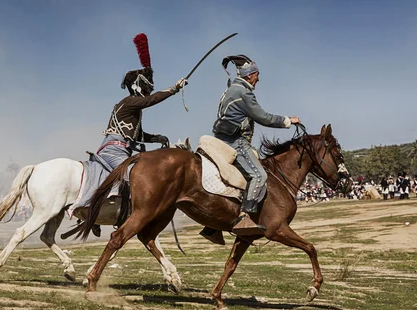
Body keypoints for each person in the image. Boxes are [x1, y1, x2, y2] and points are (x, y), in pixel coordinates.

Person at [80, 34, 186, 234]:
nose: (149, 90)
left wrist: (157, 138)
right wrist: (174, 89)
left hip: (122, 147)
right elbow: (151, 100)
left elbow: (136, 136)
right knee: (136, 177)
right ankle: (103, 212)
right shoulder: (130, 102)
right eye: (147, 86)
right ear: (138, 86)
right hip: (113, 150)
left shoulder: (133, 107)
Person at [202, 54, 301, 238]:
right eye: (257, 75)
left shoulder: (231, 89)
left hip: (222, 140)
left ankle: (213, 225)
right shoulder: (243, 92)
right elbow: (263, 117)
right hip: (236, 142)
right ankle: (244, 218)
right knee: (259, 175)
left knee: (234, 180)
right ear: (250, 75)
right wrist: (288, 121)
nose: (258, 79)